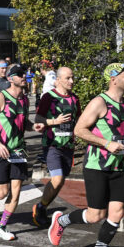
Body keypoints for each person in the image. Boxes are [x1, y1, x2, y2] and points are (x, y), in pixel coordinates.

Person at [47, 63, 124, 247]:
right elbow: (79, 130)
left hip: (117, 166)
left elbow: (116, 131)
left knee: (117, 212)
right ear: (114, 79)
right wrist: (106, 145)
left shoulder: (123, 104)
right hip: (96, 166)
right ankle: (62, 221)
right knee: (96, 215)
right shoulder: (99, 102)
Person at [0, 64, 45, 240]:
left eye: (25, 74)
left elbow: (23, 122)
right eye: (20, 74)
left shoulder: (25, 100)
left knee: (16, 192)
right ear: (10, 79)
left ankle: (2, 226)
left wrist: (33, 126)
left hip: (19, 150)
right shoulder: (1, 98)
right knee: (1, 193)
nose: (24, 77)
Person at [32, 66, 81, 228]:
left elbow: (80, 120)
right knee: (57, 179)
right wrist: (55, 122)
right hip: (52, 145)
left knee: (59, 182)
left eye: (73, 77)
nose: (72, 81)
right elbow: (38, 118)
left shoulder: (75, 99)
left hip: (68, 146)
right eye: (68, 78)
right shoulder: (49, 97)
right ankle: (40, 208)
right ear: (58, 80)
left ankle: (42, 206)